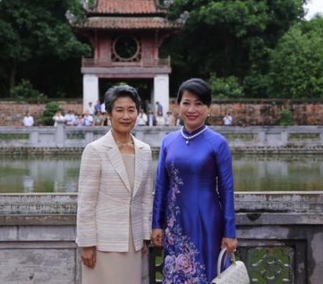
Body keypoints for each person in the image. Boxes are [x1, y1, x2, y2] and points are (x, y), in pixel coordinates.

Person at [151, 78, 238, 283]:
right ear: (177, 106)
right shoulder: (168, 141)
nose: (192, 109)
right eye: (186, 102)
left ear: (208, 108)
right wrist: (157, 224)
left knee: (205, 272)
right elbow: (161, 185)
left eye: (199, 103)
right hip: (175, 222)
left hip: (206, 220)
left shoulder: (217, 143)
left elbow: (226, 189)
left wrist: (230, 231)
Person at [76, 85, 154, 284]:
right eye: (119, 110)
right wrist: (87, 244)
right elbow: (86, 202)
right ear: (109, 113)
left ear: (138, 112)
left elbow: (146, 198)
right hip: (103, 243)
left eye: (131, 109)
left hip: (133, 242)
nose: (126, 116)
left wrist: (144, 236)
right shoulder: (95, 150)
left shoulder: (144, 151)